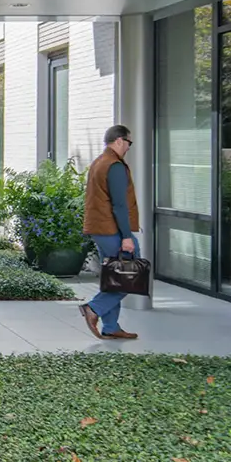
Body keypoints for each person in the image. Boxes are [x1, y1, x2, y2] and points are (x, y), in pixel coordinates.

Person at [80, 124, 140, 341]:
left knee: (114, 276)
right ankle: (93, 309)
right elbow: (119, 205)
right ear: (119, 141)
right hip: (111, 230)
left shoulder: (99, 162)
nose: (128, 148)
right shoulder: (113, 165)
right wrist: (126, 237)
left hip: (100, 228)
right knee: (130, 276)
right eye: (129, 143)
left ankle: (111, 326)